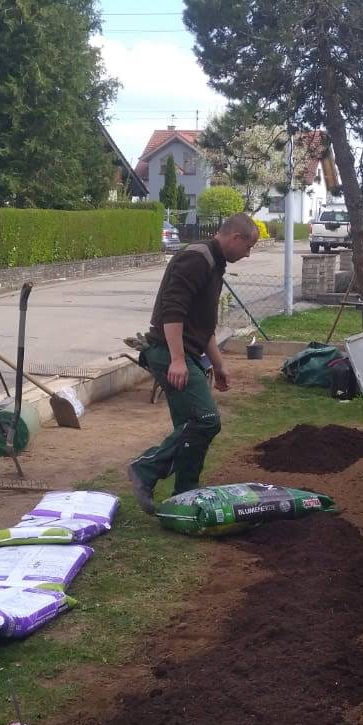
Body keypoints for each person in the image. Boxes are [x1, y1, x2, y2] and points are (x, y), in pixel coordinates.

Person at [127, 212, 260, 513]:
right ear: (235, 238)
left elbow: (203, 324)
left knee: (190, 428)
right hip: (168, 351)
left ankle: (185, 492)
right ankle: (144, 469)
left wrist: (218, 363)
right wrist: (177, 360)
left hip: (186, 353)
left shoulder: (214, 263)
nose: (248, 254)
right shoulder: (197, 258)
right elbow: (172, 311)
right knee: (206, 420)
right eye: (248, 247)